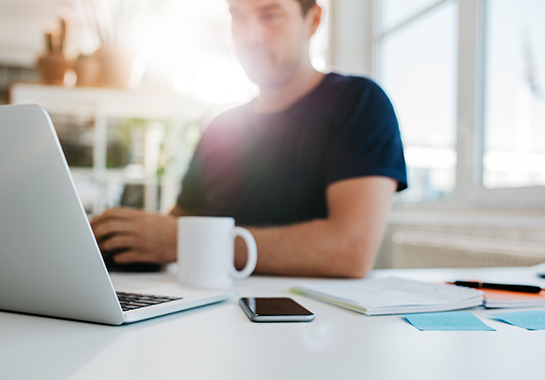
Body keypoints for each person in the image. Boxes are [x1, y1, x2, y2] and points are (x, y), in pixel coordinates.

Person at [91, 0, 407, 278]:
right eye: (238, 16)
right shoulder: (220, 128)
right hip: (207, 321)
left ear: (312, 21)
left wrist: (187, 241)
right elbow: (176, 227)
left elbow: (349, 250)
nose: (249, 35)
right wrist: (120, 237)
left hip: (311, 326)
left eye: (270, 15)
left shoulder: (359, 103)